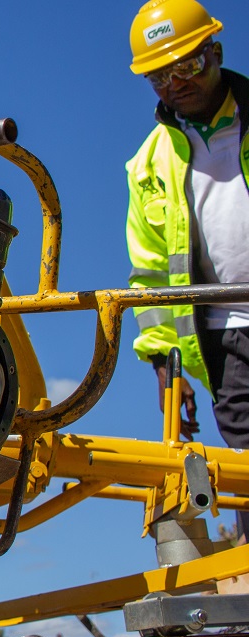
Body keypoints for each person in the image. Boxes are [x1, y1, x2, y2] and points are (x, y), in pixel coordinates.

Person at [125, 0, 249, 540]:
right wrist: (162, 357)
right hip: (224, 338)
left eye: (188, 66)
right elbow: (150, 273)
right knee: (247, 466)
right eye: (159, 75)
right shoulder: (149, 162)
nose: (176, 83)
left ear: (214, 53)